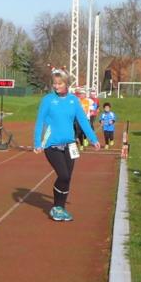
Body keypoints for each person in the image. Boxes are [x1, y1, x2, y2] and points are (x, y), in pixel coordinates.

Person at [33, 69, 100, 221]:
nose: (56, 86)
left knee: (67, 178)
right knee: (63, 175)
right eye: (54, 83)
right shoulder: (48, 100)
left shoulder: (73, 100)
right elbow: (39, 122)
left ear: (67, 84)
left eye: (60, 83)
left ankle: (60, 208)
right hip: (52, 145)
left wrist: (93, 139)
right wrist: (37, 142)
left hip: (70, 145)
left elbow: (83, 120)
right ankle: (56, 208)